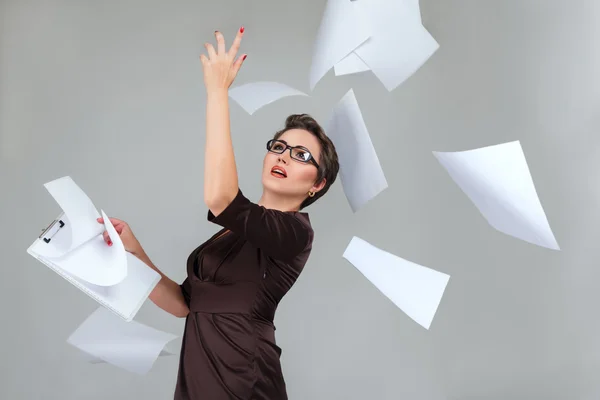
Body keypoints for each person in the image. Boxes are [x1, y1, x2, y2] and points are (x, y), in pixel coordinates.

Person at [97, 27, 339, 399]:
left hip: (243, 374)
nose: (284, 156)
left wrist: (217, 91)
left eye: (302, 155)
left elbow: (221, 198)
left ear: (316, 185)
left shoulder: (295, 233)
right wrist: (132, 251)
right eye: (280, 146)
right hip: (199, 374)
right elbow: (183, 305)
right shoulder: (231, 233)